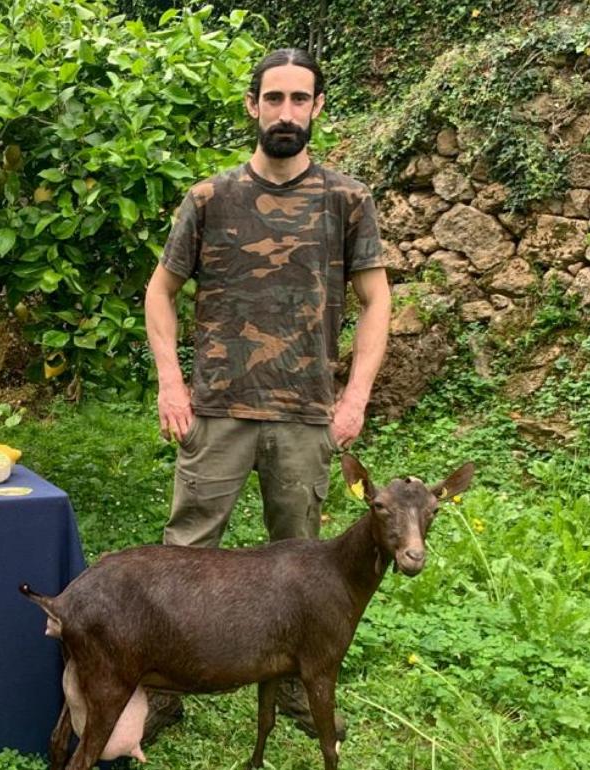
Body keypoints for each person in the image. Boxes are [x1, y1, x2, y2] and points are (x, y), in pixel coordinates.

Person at [143, 48, 391, 739]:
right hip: (218, 409)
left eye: (299, 99)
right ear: (252, 106)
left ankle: (289, 683)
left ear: (316, 108)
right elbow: (160, 293)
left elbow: (377, 301)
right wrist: (172, 381)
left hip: (307, 416)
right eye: (273, 98)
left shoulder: (346, 200)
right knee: (186, 555)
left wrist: (355, 397)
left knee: (303, 560)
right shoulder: (208, 198)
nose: (286, 112)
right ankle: (165, 687)